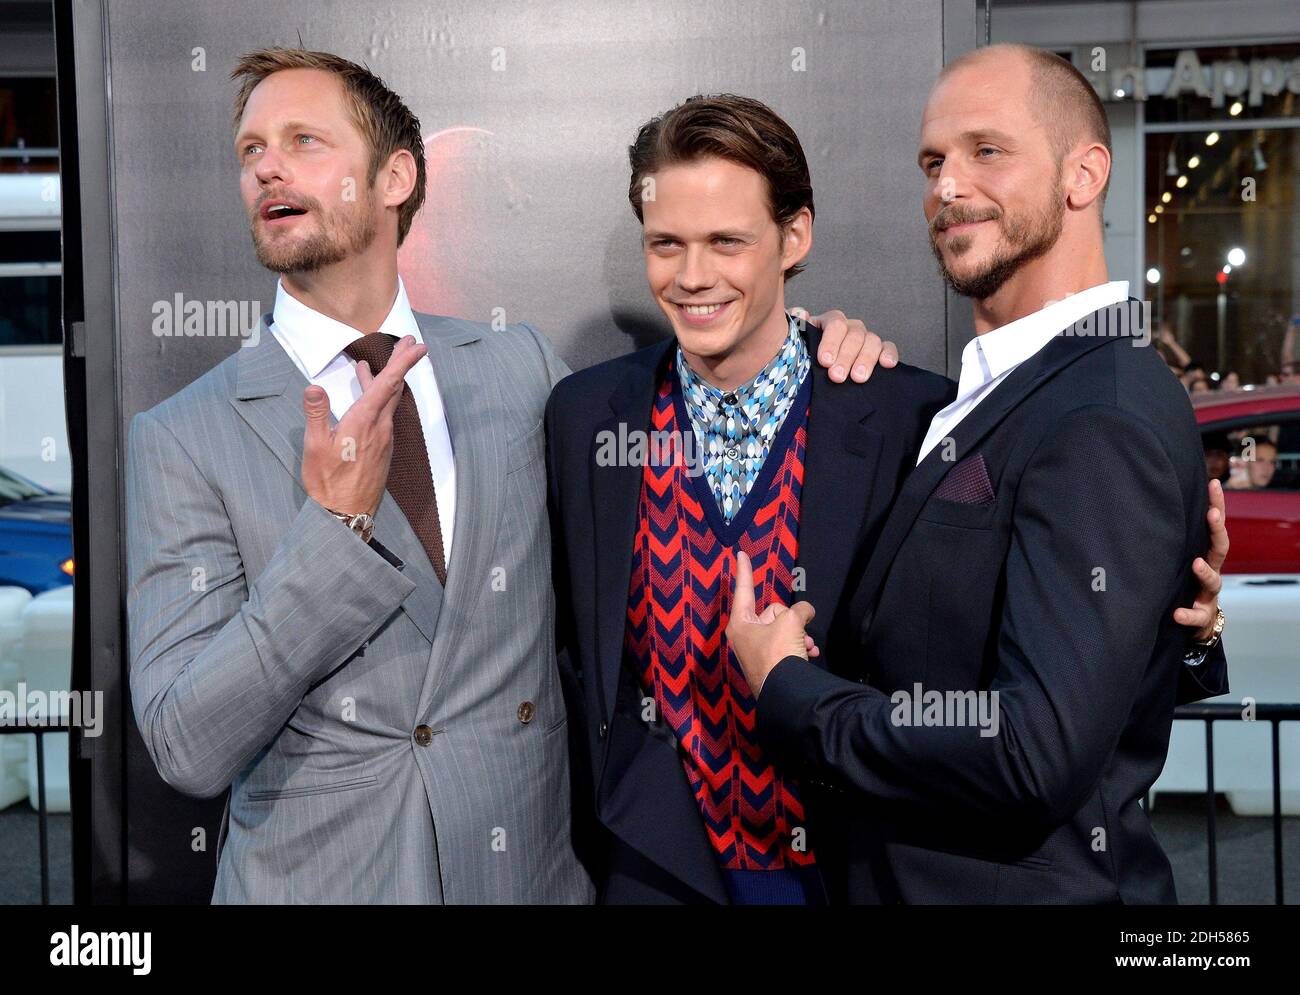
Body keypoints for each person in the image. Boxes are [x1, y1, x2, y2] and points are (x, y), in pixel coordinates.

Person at [125, 48, 886, 904]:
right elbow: (187, 744)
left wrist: (809, 341)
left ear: (396, 176)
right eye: (251, 149)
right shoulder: (182, 435)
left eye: (304, 140)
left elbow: (705, 381)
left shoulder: (519, 368)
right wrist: (332, 534)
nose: (267, 164)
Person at [727, 44, 1229, 905]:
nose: (947, 186)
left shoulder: (1098, 411)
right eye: (933, 161)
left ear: (1084, 175)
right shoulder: (995, 390)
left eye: (986, 151)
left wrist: (791, 691)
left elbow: (1031, 750)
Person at [546, 95, 952, 904]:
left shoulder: (909, 416)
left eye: (727, 242)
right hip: (654, 869)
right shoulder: (587, 416)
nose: (692, 277)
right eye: (667, 244)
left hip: (851, 870)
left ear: (793, 237)